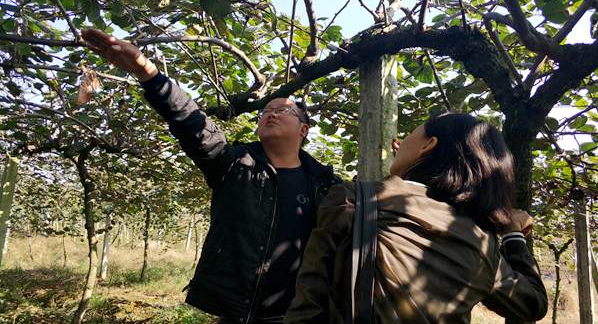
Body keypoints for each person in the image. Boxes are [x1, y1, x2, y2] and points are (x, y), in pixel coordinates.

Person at [81, 29, 340, 324]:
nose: (270, 114)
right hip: (238, 315)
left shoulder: (326, 184)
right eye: (265, 111)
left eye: (282, 109)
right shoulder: (233, 165)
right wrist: (147, 71)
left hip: (304, 314)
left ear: (303, 130)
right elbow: (192, 122)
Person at [284, 113, 548, 324]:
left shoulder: (353, 199)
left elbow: (309, 300)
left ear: (428, 146)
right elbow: (532, 304)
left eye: (410, 134)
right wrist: (513, 237)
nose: (396, 143)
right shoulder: (483, 243)